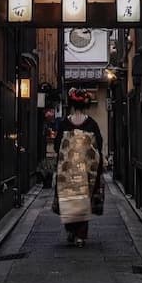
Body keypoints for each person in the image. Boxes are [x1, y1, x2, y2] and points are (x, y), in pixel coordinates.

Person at [53, 87, 103, 246]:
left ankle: (71, 231)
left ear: (72, 105)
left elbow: (57, 146)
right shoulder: (91, 124)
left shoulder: (64, 124)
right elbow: (98, 146)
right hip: (86, 171)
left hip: (68, 170)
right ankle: (80, 236)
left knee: (69, 200)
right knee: (83, 200)